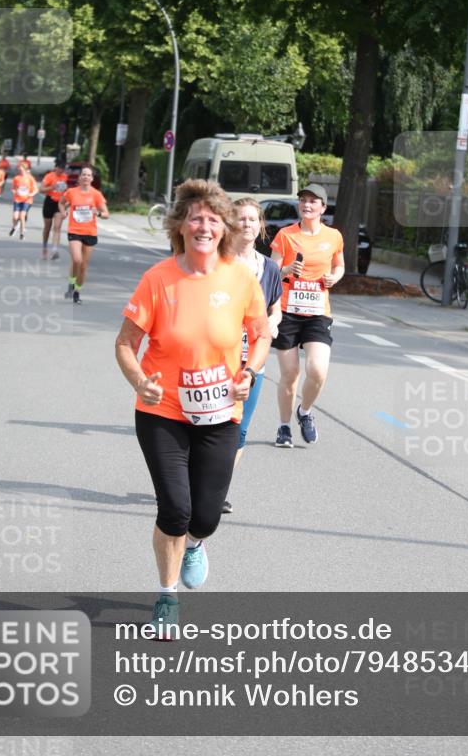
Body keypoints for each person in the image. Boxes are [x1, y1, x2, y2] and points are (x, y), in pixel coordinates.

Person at [114, 180, 271, 635]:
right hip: (162, 412)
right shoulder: (158, 279)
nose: (205, 226)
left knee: (204, 516)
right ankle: (167, 596)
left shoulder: (240, 278)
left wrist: (249, 372)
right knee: (175, 510)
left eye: (213, 219)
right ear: (180, 226)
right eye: (196, 218)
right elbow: (126, 343)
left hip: (220, 412)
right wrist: (140, 382)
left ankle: (196, 544)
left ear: (223, 229)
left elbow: (260, 333)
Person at [270, 183, 344, 447]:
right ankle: (283, 427)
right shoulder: (285, 235)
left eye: (314, 201)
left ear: (323, 208)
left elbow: (339, 265)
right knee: (290, 374)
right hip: (288, 312)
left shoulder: (333, 236)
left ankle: (305, 411)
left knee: (318, 370)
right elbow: (272, 272)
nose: (307, 205)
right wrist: (288, 268)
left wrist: (334, 277)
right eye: (303, 200)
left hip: (317, 314)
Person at [222, 197, 282, 513]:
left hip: (252, 359)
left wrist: (273, 321)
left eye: (252, 219)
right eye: (241, 218)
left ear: (261, 226)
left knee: (240, 427)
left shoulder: (269, 268)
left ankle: (217, 490)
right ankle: (195, 480)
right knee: (206, 423)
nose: (247, 223)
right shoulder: (219, 262)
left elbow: (276, 308)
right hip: (216, 358)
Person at [58, 166, 109, 304]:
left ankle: (77, 291)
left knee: (84, 266)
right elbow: (61, 203)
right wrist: (63, 212)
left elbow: (106, 214)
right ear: (80, 177)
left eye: (88, 175)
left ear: (92, 179)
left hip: (90, 233)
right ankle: (71, 283)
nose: (86, 177)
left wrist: (97, 212)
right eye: (84, 175)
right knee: (77, 259)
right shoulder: (71, 192)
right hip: (74, 230)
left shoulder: (96, 194)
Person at [40, 159, 68, 259]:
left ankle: (55, 249)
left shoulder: (65, 177)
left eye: (63, 169)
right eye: (59, 168)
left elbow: (67, 191)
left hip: (60, 204)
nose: (61, 171)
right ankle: (44, 247)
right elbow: (41, 189)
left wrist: (67, 202)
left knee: (57, 226)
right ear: (55, 168)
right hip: (49, 202)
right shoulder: (49, 176)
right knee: (47, 227)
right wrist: (52, 187)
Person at [8, 163, 38, 239]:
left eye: (21, 168)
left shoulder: (30, 178)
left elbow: (36, 189)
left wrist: (32, 194)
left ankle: (22, 233)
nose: (20, 170)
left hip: (27, 200)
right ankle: (14, 227)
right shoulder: (16, 178)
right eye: (19, 169)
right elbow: (13, 188)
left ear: (25, 169)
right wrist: (14, 191)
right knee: (15, 217)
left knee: (22, 216)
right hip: (17, 199)